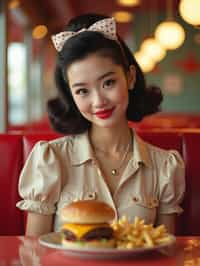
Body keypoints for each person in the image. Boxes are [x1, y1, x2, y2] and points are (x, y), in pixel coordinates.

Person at [16, 13, 185, 236]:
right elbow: (33, 252)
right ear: (71, 95)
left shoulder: (165, 166)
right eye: (82, 91)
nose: (98, 101)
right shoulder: (50, 160)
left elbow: (165, 249)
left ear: (130, 77)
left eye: (108, 82)